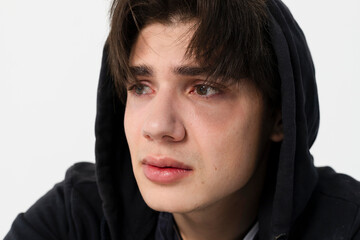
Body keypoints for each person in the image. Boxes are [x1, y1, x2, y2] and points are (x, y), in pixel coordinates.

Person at [5, 0, 360, 239]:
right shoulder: (75, 220)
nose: (158, 127)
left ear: (279, 116)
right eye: (141, 87)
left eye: (203, 89)